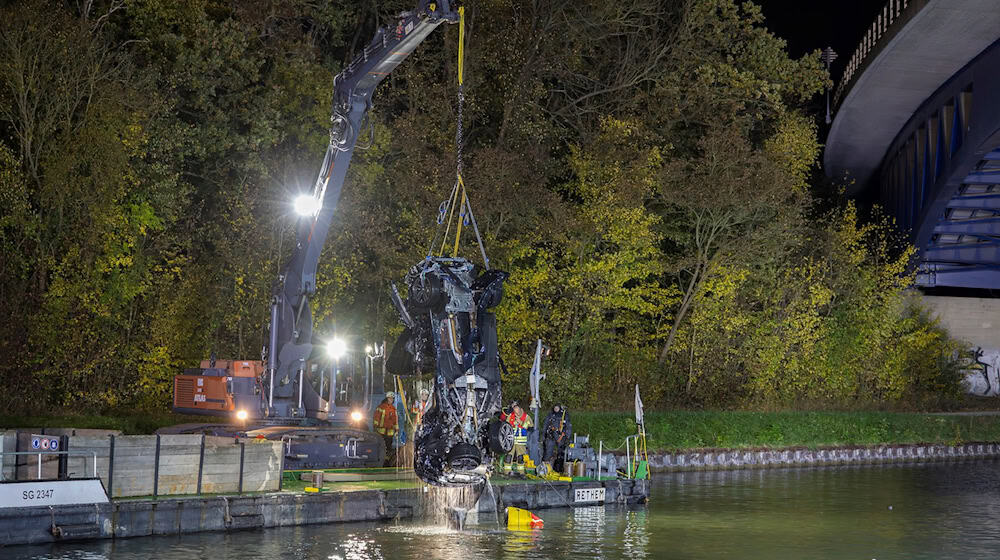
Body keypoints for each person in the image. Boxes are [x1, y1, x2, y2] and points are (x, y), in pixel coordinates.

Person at [542, 404, 572, 474]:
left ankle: (559, 470)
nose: (555, 409)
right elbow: (545, 425)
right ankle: (544, 470)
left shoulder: (564, 415)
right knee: (548, 453)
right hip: (551, 436)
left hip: (560, 437)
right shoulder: (550, 415)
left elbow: (568, 426)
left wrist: (568, 436)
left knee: (561, 454)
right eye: (555, 408)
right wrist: (543, 435)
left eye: (557, 408)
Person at [504, 400, 533, 468]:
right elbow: (506, 426)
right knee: (508, 457)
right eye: (514, 408)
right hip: (511, 440)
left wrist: (521, 423)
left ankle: (521, 472)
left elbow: (531, 428)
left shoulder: (526, 417)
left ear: (520, 408)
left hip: (521, 442)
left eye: (516, 407)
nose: (515, 410)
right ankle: (507, 471)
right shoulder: (510, 416)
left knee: (521, 458)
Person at [374, 391, 398, 467]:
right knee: (381, 446)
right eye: (390, 398)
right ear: (387, 398)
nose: (391, 400)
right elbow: (376, 417)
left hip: (390, 432)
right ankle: (379, 461)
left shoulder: (393, 409)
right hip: (381, 431)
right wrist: (376, 426)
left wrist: (397, 430)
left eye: (392, 398)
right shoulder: (381, 407)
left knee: (388, 448)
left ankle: (386, 462)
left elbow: (395, 421)